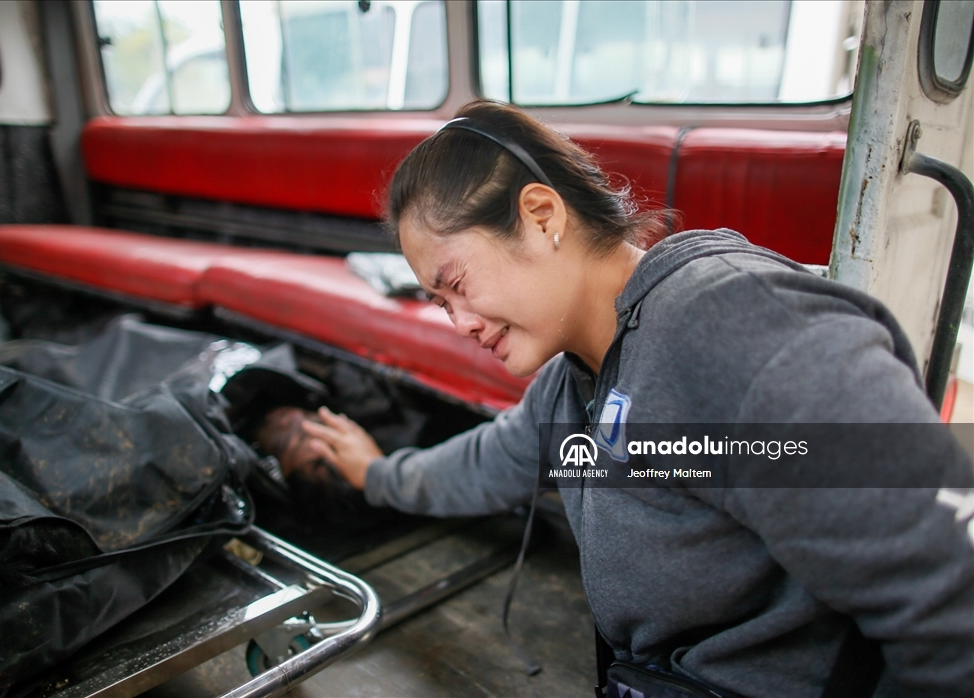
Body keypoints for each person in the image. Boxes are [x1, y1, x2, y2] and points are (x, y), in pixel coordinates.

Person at [300, 100, 974, 697]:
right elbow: (485, 463)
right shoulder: (573, 387)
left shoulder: (731, 327)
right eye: (438, 303)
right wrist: (375, 473)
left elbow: (950, 591)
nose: (461, 324)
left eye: (457, 285)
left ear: (540, 216)